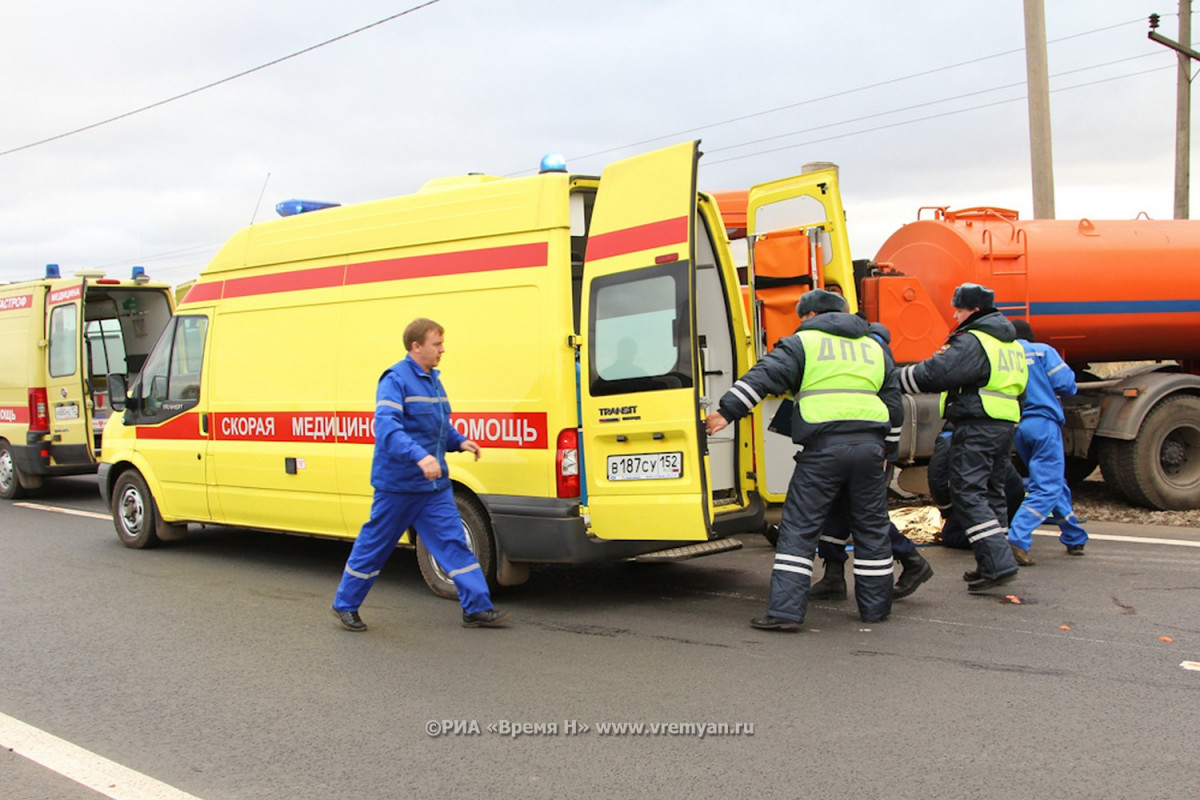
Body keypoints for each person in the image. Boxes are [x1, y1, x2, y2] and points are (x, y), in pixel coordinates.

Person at [705, 288, 900, 631]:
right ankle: (876, 609)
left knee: (800, 528)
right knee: (871, 529)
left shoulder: (804, 342)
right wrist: (890, 453)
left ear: (811, 316)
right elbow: (894, 405)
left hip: (824, 449)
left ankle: (785, 612)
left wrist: (724, 414)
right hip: (871, 448)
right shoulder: (874, 347)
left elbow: (762, 377)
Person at [331, 318, 509, 631]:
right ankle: (345, 605)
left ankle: (477, 608)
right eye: (436, 344)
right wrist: (421, 457)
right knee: (375, 545)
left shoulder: (433, 380)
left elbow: (437, 426)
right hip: (398, 486)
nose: (442, 349)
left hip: (433, 487)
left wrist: (458, 441)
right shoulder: (394, 379)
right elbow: (387, 427)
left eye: (441, 343)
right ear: (416, 347)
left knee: (454, 543)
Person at [898, 283, 1027, 593]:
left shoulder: (975, 341)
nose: (954, 314)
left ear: (975, 311)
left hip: (977, 424)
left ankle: (999, 563)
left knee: (967, 493)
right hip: (1003, 425)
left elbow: (936, 373)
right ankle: (992, 560)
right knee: (993, 492)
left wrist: (893, 379)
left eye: (959, 309)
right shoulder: (1010, 343)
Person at [810, 321, 933, 601]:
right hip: (863, 446)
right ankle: (833, 575)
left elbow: (891, 408)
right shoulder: (870, 349)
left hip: (867, 447)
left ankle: (912, 560)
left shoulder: (871, 350)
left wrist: (886, 454)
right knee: (838, 509)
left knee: (863, 512)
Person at [1007, 319, 1088, 563]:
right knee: (1047, 486)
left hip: (1019, 427)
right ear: (1030, 336)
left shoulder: (1006, 355)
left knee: (1053, 482)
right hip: (1044, 423)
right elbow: (1066, 385)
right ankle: (1018, 537)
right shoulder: (1042, 351)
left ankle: (1074, 536)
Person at [928, 423, 1025, 549]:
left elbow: (937, 480)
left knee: (950, 534)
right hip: (1011, 495)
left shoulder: (949, 442)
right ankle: (1002, 538)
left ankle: (995, 543)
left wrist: (946, 510)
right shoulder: (986, 435)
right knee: (995, 523)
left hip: (985, 496)